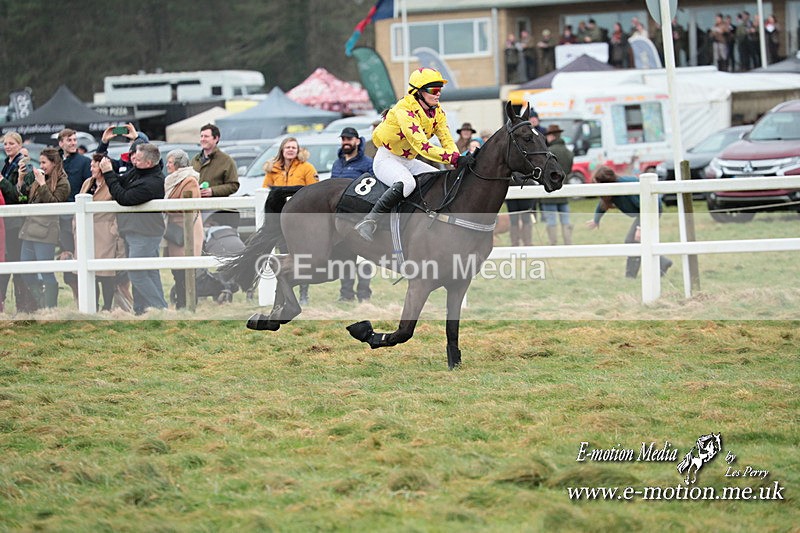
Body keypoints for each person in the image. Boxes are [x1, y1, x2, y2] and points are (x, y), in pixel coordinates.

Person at [355, 67, 461, 243]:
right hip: (386, 159)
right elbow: (422, 146)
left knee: (439, 178)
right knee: (407, 183)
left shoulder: (438, 112)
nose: (438, 94)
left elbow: (447, 140)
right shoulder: (404, 109)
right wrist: (453, 159)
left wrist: (458, 159)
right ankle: (369, 221)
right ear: (418, 92)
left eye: (439, 90)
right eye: (434, 90)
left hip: (408, 161)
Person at [100, 143, 168, 315]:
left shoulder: (153, 182)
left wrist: (108, 173)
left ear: (148, 163)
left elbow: (124, 197)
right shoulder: (139, 172)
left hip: (145, 232)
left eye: (137, 159)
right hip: (134, 230)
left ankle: (160, 308)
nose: (133, 161)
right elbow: (120, 182)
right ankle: (142, 309)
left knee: (137, 272)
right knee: (149, 272)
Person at [585, 166, 672, 278]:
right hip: (643, 212)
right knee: (637, 242)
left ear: (607, 183)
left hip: (651, 210)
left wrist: (640, 228)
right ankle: (662, 263)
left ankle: (631, 276)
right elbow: (602, 205)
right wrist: (596, 220)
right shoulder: (610, 193)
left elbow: (645, 207)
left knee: (631, 241)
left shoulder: (626, 188)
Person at [262, 137, 319, 305]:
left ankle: (303, 293)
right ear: (282, 150)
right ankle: (284, 292)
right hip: (279, 220)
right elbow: (265, 191)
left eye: (294, 147)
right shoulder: (272, 169)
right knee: (283, 254)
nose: (290, 150)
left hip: (301, 220)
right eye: (287, 147)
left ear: (298, 150)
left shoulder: (306, 168)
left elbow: (315, 191)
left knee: (301, 256)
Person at [74, 154, 130, 312]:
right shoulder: (87, 183)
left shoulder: (112, 183)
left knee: (106, 273)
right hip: (86, 231)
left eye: (95, 165)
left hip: (105, 232)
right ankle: (92, 307)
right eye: (91, 165)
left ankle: (107, 307)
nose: (91, 168)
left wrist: (114, 230)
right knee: (89, 273)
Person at [17, 147, 71, 309]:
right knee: (25, 270)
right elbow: (24, 199)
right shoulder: (38, 179)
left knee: (47, 271)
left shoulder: (63, 183)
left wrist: (41, 183)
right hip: (29, 230)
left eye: (44, 162)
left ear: (54, 163)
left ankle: (51, 308)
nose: (41, 165)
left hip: (46, 231)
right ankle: (41, 304)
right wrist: (20, 180)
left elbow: (54, 205)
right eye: (40, 162)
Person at [331, 127, 375, 303]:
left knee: (364, 256)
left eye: (349, 139)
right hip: (340, 216)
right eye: (343, 139)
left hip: (358, 215)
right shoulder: (337, 163)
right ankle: (346, 293)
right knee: (344, 255)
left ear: (357, 140)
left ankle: (364, 292)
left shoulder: (367, 163)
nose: (345, 142)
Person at [163, 149, 204, 309]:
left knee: (186, 271)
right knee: (177, 270)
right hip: (175, 229)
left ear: (178, 164)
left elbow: (189, 206)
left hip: (188, 229)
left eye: (170, 162)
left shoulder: (189, 180)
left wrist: (167, 208)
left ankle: (188, 303)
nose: (167, 165)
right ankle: (181, 302)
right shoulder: (172, 180)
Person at [0, 133, 37, 313]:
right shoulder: (7, 164)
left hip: (18, 222)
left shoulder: (25, 164)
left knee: (16, 262)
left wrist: (2, 181)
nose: (8, 146)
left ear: (19, 144)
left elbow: (21, 197)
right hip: (8, 222)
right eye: (5, 144)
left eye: (11, 143)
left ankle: (24, 306)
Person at [57, 128, 92, 304]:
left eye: (74, 139)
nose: (72, 143)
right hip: (59, 217)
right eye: (68, 140)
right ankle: (77, 300)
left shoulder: (85, 162)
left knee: (80, 258)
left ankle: (85, 301)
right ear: (61, 143)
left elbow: (89, 186)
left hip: (76, 216)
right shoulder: (56, 162)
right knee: (66, 260)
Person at [540, 125, 574, 245]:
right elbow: (569, 170)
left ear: (552, 136)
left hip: (550, 190)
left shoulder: (548, 152)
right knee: (565, 219)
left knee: (551, 220)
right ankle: (568, 242)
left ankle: (553, 243)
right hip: (564, 189)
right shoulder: (569, 152)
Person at [191, 123, 239, 198]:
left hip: (216, 207)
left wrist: (213, 191)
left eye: (206, 136)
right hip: (196, 207)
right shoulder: (195, 160)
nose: (203, 139)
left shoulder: (227, 161)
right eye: (201, 136)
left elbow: (234, 185)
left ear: (216, 138)